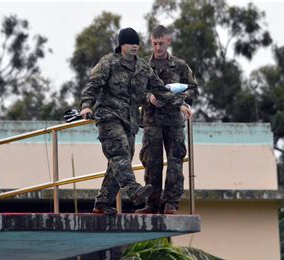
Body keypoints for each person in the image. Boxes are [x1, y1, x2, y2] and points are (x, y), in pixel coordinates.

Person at [80, 27, 190, 215]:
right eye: (131, 43)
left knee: (121, 159)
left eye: (137, 43)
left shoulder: (143, 67)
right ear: (122, 45)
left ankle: (102, 201)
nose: (135, 46)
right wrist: (86, 106)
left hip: (129, 121)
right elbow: (93, 85)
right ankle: (134, 191)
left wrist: (179, 104)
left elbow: (160, 89)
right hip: (109, 117)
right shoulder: (108, 63)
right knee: (121, 152)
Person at [136, 25, 198, 215]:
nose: (158, 48)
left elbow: (193, 89)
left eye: (161, 43)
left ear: (168, 41)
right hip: (152, 121)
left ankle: (171, 203)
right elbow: (135, 91)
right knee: (151, 163)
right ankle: (152, 204)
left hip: (173, 122)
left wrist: (181, 102)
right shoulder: (143, 66)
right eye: (154, 43)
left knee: (175, 163)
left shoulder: (179, 65)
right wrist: (149, 98)